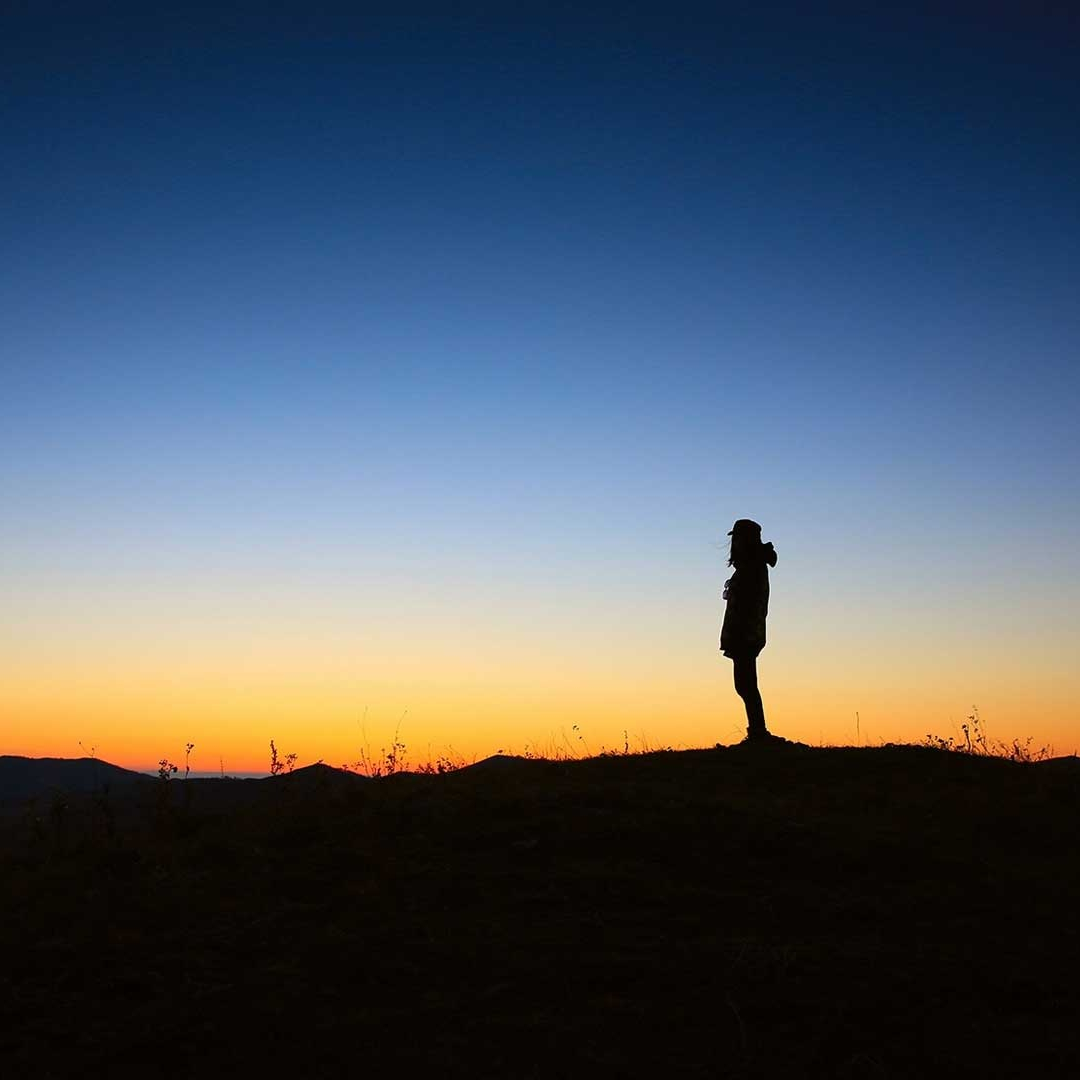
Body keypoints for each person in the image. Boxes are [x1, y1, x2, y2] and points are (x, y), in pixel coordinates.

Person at [720, 519, 779, 743]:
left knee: (746, 685)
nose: (734, 543)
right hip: (744, 633)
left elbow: (749, 605)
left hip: (745, 634)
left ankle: (758, 732)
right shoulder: (749, 566)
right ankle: (757, 731)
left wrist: (740, 632)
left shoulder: (752, 568)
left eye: (738, 538)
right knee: (744, 685)